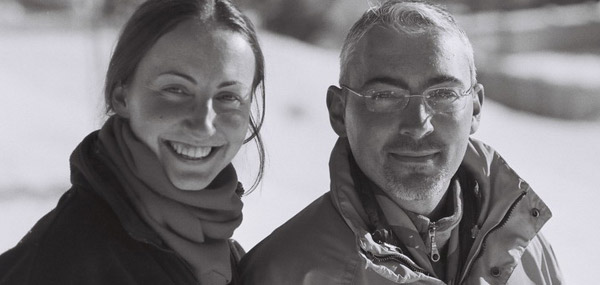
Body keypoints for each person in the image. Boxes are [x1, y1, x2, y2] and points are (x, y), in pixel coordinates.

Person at [239, 1, 562, 284]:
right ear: (339, 112)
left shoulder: (525, 248)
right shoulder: (284, 272)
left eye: (443, 94)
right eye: (386, 96)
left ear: (475, 108)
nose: (418, 124)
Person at [0, 0, 265, 284]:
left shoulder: (228, 254)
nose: (203, 124)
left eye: (228, 97)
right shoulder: (67, 260)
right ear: (121, 96)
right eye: (175, 89)